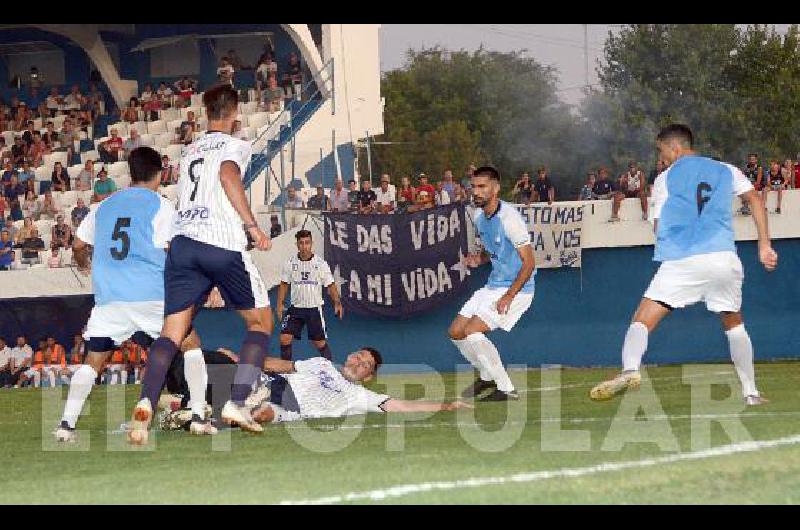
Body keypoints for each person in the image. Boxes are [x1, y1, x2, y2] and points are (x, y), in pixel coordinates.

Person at [589, 124, 777, 406]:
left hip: (683, 259)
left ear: (675, 148)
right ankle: (750, 392)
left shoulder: (666, 178)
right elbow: (755, 199)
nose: (661, 157)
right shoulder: (726, 169)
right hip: (723, 258)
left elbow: (658, 224)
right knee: (734, 323)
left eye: (661, 150)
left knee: (642, 320)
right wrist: (764, 245)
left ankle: (630, 370)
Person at [127, 85, 273, 444]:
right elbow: (228, 177)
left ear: (206, 113)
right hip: (220, 240)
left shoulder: (189, 148)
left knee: (172, 332)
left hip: (184, 243)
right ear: (235, 111)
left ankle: (146, 401)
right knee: (260, 322)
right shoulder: (235, 145)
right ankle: (237, 403)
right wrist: (252, 226)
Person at [53, 147, 210, 443]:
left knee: (93, 361)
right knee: (191, 344)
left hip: (110, 297)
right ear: (161, 173)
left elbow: (77, 246)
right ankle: (199, 415)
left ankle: (65, 425)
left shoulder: (102, 206)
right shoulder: (162, 206)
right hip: (151, 295)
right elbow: (172, 251)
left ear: (131, 172)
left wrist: (86, 265)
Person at [161, 348, 471, 430]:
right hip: (268, 384)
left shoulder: (361, 396)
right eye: (358, 356)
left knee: (263, 413)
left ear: (368, 377)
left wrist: (444, 406)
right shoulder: (321, 364)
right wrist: (241, 358)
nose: (359, 362)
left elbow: (402, 406)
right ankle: (183, 400)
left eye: (365, 365)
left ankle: (187, 411)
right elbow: (280, 366)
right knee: (210, 359)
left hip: (284, 409)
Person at [448, 166, 536, 401]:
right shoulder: (478, 216)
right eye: (473, 187)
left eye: (481, 187)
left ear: (495, 189)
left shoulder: (509, 219)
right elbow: (493, 251)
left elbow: (529, 263)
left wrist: (508, 297)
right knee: (456, 332)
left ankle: (506, 388)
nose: (475, 192)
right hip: (493, 285)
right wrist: (480, 259)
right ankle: (487, 376)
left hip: (517, 290)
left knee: (473, 333)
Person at [276, 230, 343, 362]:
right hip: (295, 308)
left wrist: (337, 302)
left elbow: (330, 285)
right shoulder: (290, 264)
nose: (304, 246)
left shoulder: (321, 264)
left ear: (311, 244)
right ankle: (285, 371)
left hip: (314, 309)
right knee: (284, 338)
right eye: (301, 243)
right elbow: (284, 284)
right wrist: (279, 304)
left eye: (307, 243)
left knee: (319, 343)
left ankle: (330, 369)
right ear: (297, 244)